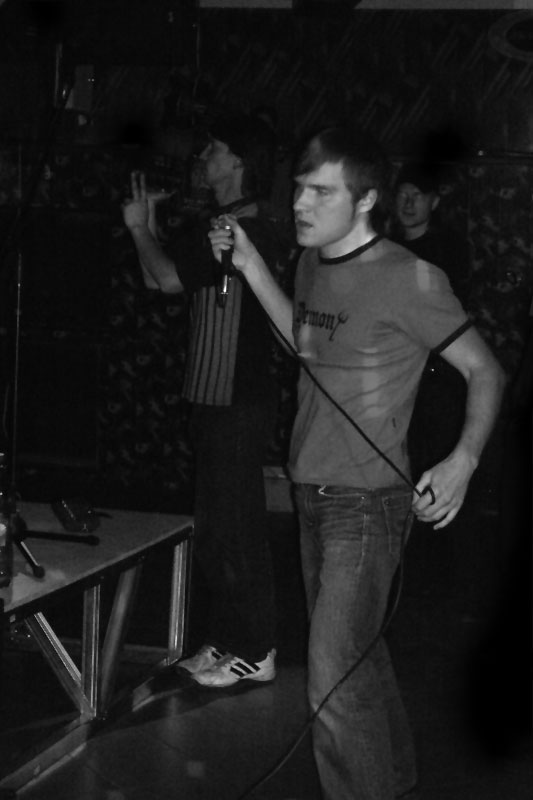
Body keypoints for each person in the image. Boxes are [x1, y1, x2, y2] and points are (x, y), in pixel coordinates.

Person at [208, 127, 505, 800]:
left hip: (366, 505)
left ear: (366, 200)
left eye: (320, 192)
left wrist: (462, 460)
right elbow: (306, 345)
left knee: (330, 680)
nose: (299, 204)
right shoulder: (311, 263)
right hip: (311, 492)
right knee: (355, 664)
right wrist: (251, 265)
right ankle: (393, 781)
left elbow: (485, 371)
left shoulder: (410, 278)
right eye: (298, 189)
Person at [122, 113, 287, 688]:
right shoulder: (223, 223)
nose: (202, 157)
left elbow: (166, 278)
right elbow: (159, 279)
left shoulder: (245, 226)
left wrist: (139, 226)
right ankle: (227, 639)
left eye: (213, 148)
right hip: (217, 399)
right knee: (217, 529)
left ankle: (257, 649)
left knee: (237, 527)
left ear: (238, 160)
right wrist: (146, 227)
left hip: (238, 399)